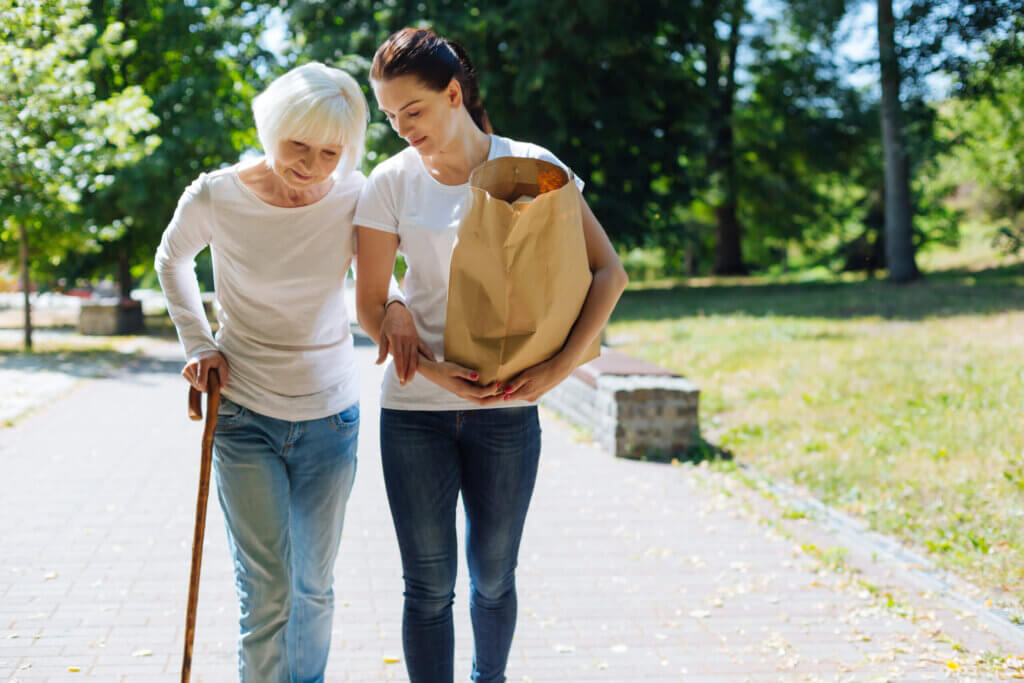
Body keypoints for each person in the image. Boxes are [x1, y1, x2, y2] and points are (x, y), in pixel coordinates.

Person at [354, 28, 629, 683]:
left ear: (454, 94)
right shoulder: (389, 183)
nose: (401, 129)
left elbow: (607, 273)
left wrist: (553, 374)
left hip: (507, 411)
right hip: (415, 411)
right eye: (390, 117)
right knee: (426, 586)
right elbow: (368, 303)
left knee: (494, 576)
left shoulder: (530, 167)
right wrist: (434, 366)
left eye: (412, 111)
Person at [155, 62, 422, 683]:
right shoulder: (217, 195)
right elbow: (172, 260)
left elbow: (391, 271)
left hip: (330, 416)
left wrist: (401, 306)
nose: (312, 165)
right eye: (297, 145)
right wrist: (198, 342)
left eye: (331, 152)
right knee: (268, 591)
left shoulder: (356, 195)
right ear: (270, 127)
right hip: (244, 416)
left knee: (314, 587)